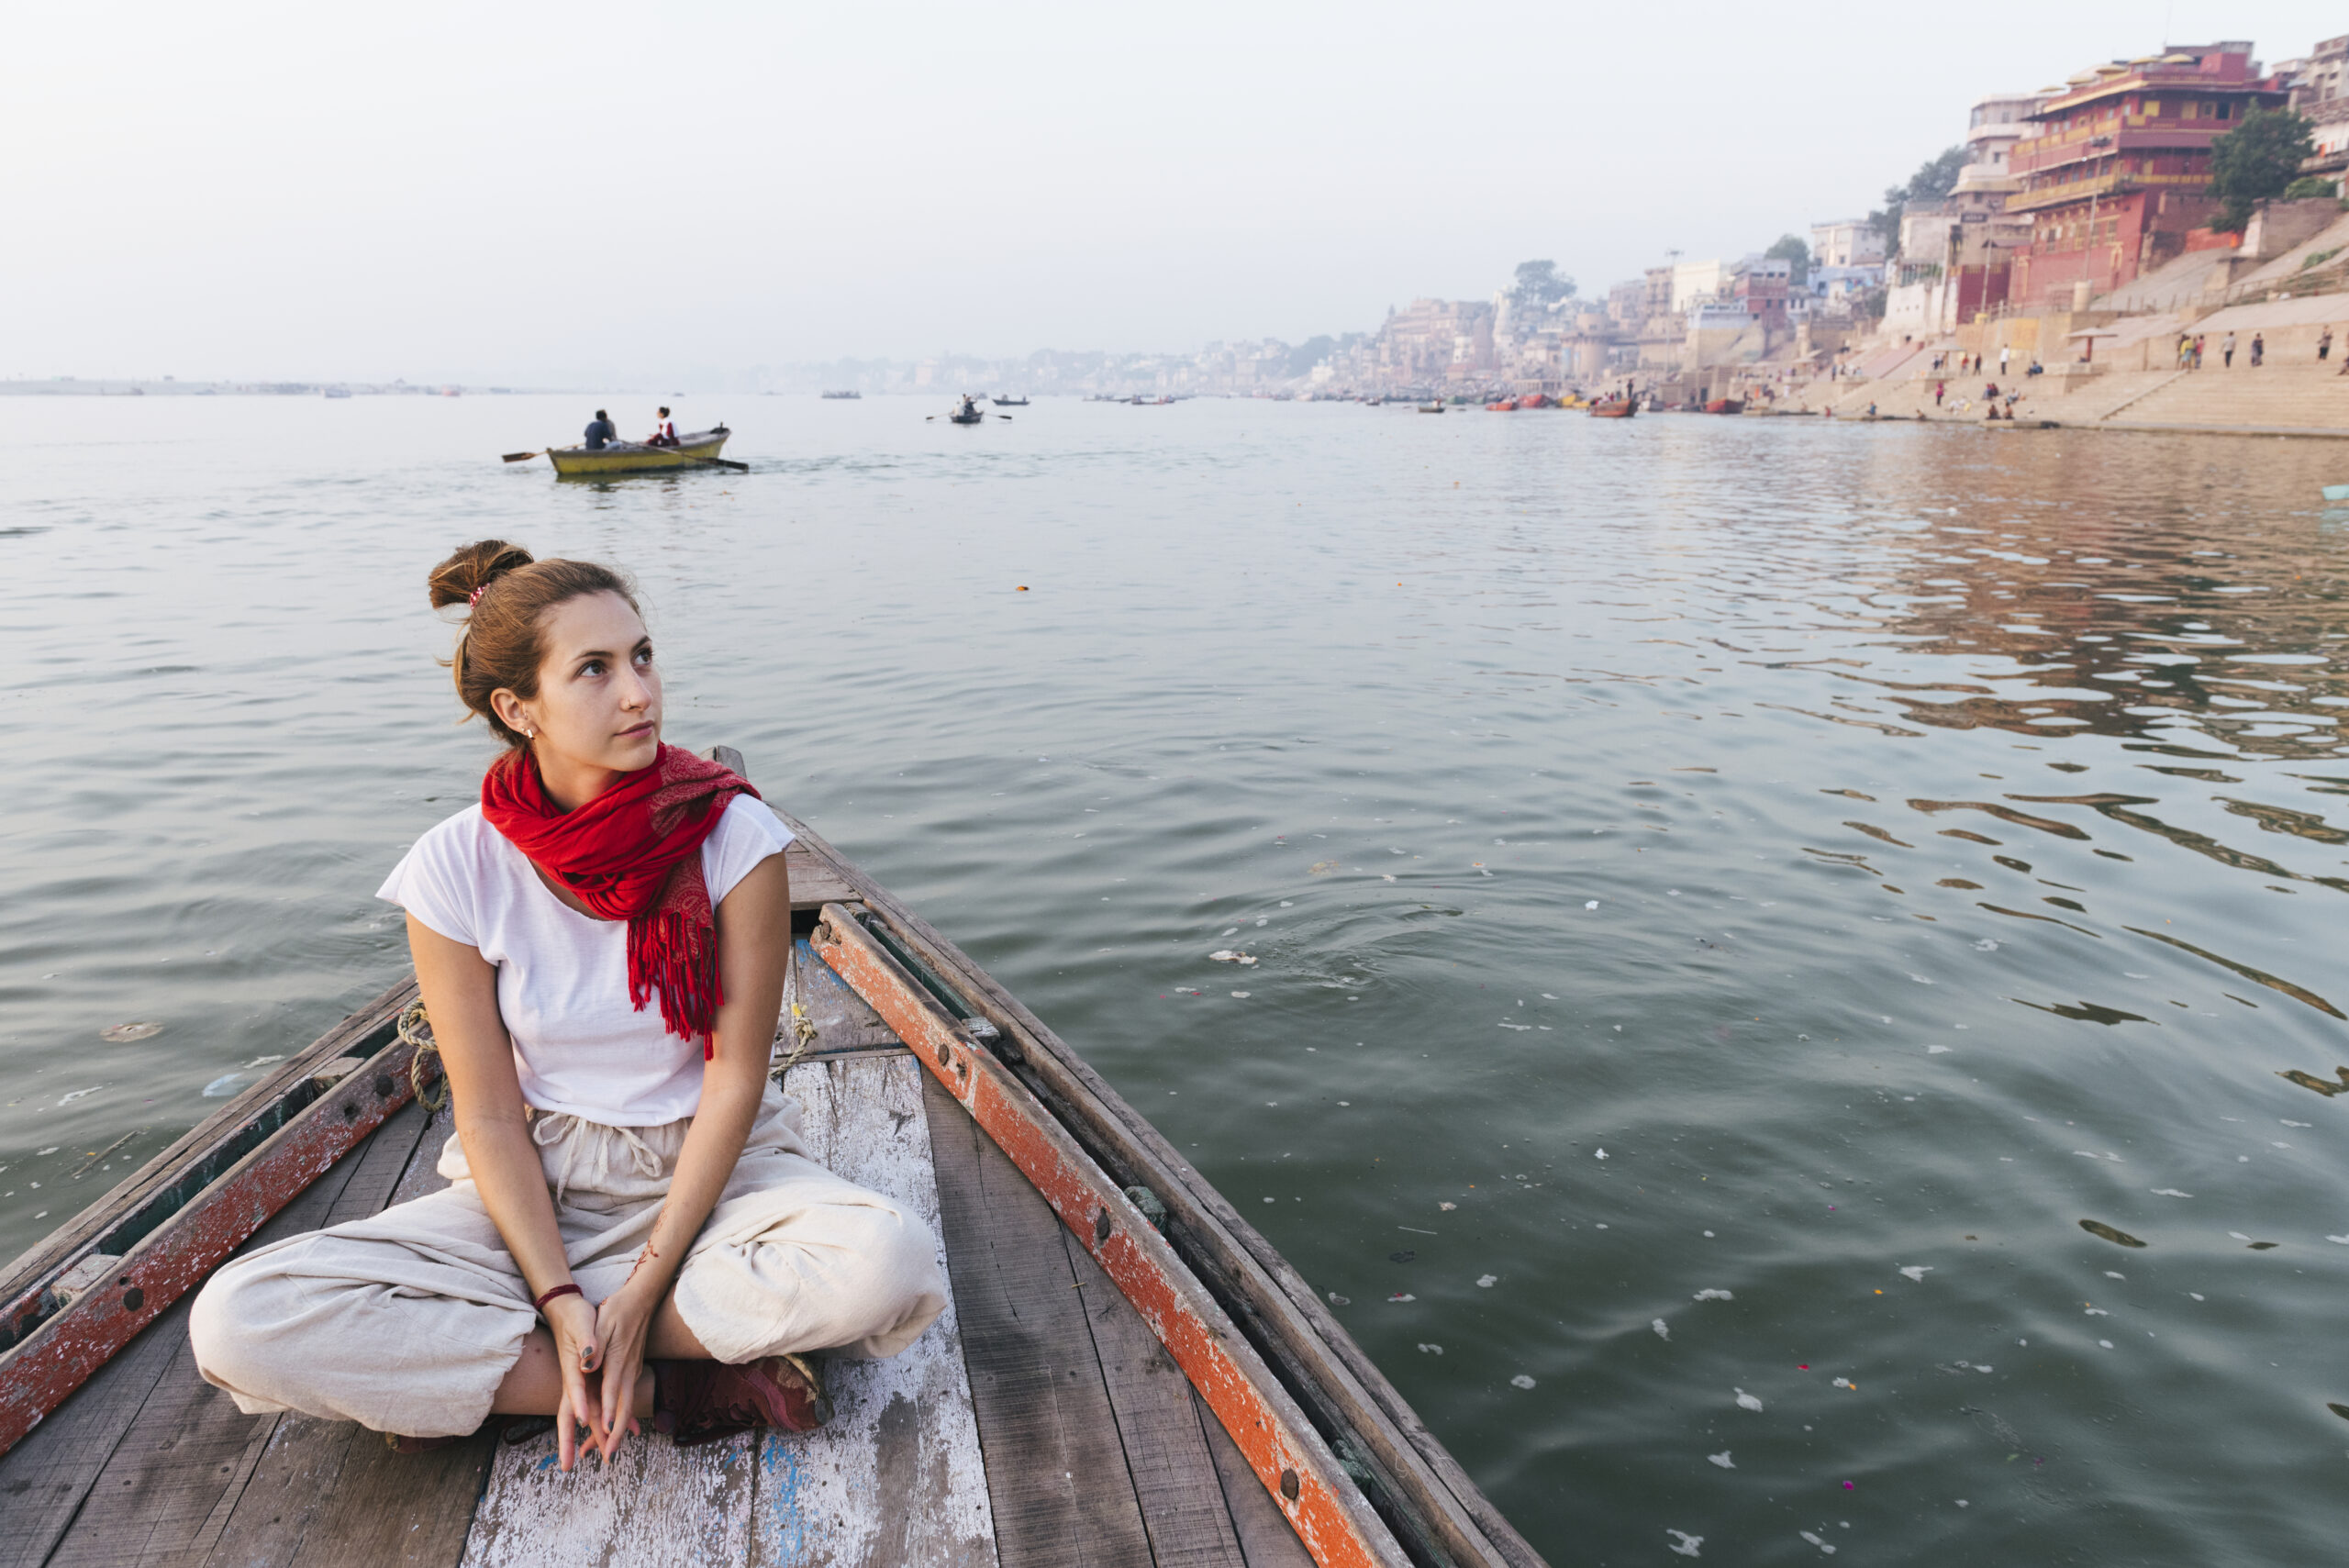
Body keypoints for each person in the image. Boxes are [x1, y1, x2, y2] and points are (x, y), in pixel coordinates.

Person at [190, 542, 947, 1467]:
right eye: (593, 668)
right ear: (518, 707)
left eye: (641, 655)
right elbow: (490, 1112)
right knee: (237, 1320)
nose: (639, 691)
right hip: (533, 1185)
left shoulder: (734, 836)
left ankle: (498, 1368)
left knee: (888, 1263)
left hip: (714, 1175)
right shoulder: (455, 866)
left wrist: (638, 1288)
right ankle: (672, 1378)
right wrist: (560, 1296)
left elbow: (735, 1077)